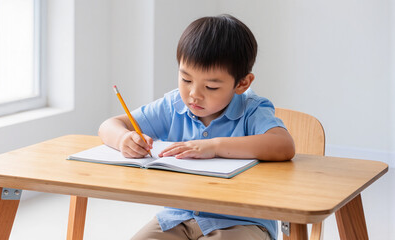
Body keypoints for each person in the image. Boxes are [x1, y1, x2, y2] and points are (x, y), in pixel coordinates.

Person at [98, 14, 295, 240]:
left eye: (210, 87)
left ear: (242, 83)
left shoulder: (252, 110)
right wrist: (124, 139)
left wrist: (214, 146)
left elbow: (284, 145)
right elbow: (108, 126)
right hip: (177, 217)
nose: (194, 95)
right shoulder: (173, 107)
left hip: (242, 222)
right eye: (186, 79)